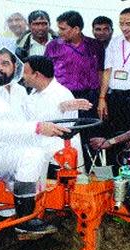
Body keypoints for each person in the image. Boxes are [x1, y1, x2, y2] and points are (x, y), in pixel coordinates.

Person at [0, 45, 71, 234]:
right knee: (32, 155)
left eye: (5, 63)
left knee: (49, 149)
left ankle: (34, 206)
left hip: (13, 149)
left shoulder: (19, 91)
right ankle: (24, 220)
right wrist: (38, 128)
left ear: (15, 67)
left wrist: (63, 106)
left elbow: (34, 117)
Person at [44, 11, 105, 171]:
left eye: (63, 29)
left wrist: (100, 98)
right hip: (63, 99)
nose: (59, 32)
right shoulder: (53, 46)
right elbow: (47, 75)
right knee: (63, 136)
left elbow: (101, 72)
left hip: (88, 98)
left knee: (90, 137)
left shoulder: (94, 45)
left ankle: (94, 173)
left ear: (76, 29)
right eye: (59, 28)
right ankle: (63, 173)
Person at [97, 7, 130, 166]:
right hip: (116, 96)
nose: (124, 28)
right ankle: (117, 176)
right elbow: (107, 70)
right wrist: (102, 98)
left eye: (129, 24)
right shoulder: (115, 41)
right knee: (116, 136)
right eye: (121, 24)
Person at [22, 55, 92, 170]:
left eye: (25, 72)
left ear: (36, 75)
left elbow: (58, 118)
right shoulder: (33, 92)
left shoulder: (62, 94)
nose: (22, 76)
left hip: (60, 161)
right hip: (40, 155)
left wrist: (63, 106)